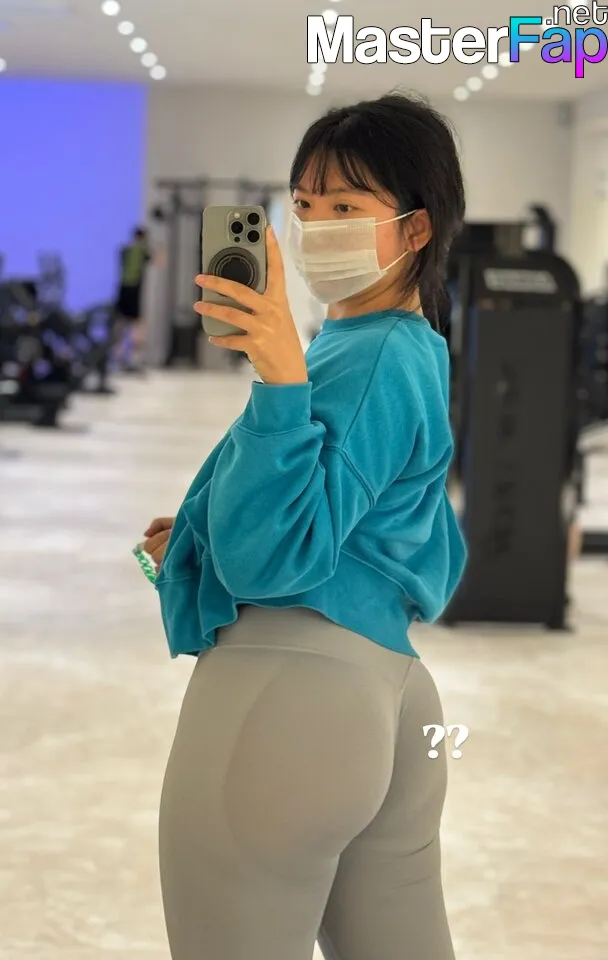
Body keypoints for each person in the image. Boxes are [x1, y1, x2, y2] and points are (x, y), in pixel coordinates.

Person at [142, 92, 467, 960]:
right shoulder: (401, 346)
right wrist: (202, 535)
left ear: (416, 229)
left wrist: (278, 377)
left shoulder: (367, 354)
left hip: (285, 696)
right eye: (305, 204)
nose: (317, 226)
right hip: (383, 691)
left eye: (347, 207)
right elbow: (360, 523)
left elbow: (274, 562)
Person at [113, 226, 152, 372]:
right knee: (136, 326)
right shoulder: (141, 251)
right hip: (134, 290)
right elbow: (160, 260)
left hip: (123, 289)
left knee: (121, 324)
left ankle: (119, 357)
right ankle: (134, 359)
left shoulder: (125, 250)